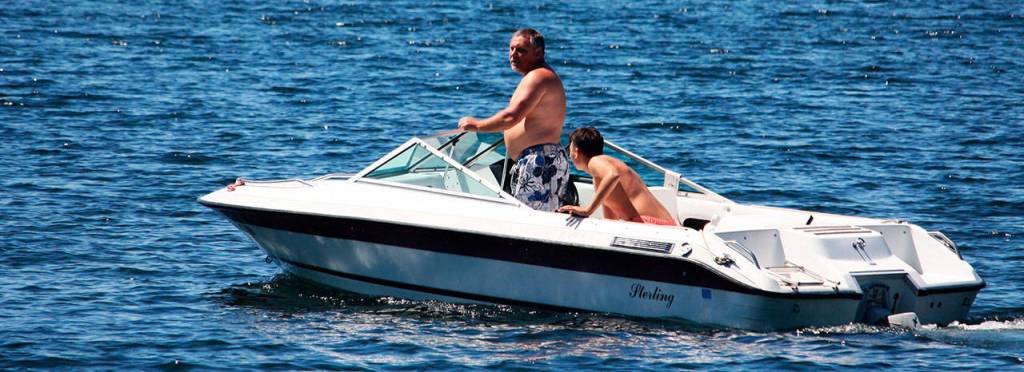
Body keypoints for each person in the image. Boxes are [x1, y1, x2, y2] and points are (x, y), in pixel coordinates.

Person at [457, 28, 569, 212]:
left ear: (539, 53)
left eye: (521, 50)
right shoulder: (541, 76)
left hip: (538, 163)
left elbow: (511, 117)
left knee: (533, 224)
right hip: (540, 161)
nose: (513, 54)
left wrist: (476, 125)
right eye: (511, 49)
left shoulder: (538, 77)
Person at [557, 127, 678, 226]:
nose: (569, 154)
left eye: (569, 149)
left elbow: (612, 175)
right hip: (662, 224)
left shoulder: (595, 161)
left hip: (650, 224)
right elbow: (610, 220)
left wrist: (587, 210)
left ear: (576, 152)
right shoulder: (601, 176)